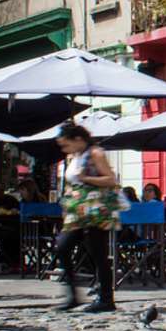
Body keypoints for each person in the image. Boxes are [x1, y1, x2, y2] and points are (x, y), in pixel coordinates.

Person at [55, 123, 121, 312]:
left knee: (98, 253)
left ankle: (106, 299)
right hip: (77, 213)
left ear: (77, 140)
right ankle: (73, 295)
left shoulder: (95, 153)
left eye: (65, 144)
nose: (64, 149)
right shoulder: (73, 157)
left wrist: (86, 178)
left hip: (95, 212)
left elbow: (110, 179)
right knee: (62, 247)